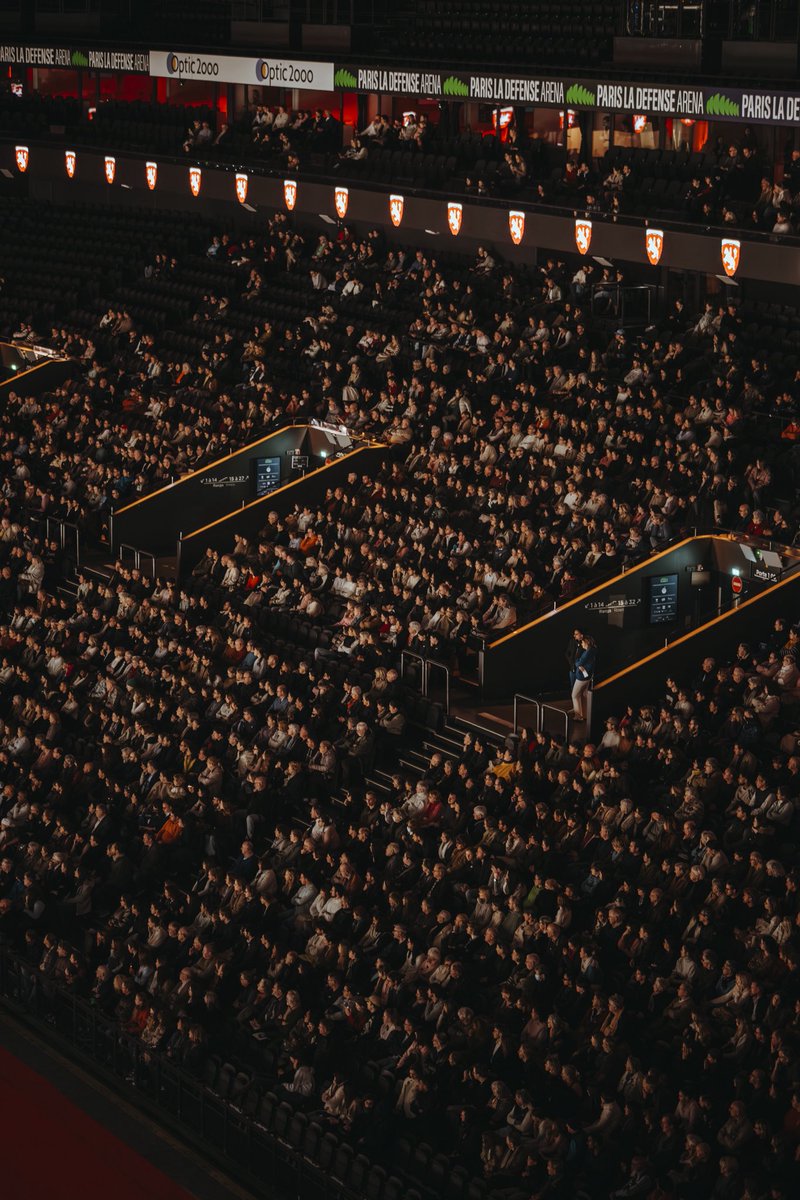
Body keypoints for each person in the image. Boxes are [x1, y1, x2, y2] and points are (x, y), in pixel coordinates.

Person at [571, 634, 596, 721]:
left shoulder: (588, 652)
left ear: (586, 642)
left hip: (582, 677)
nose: (581, 644)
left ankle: (578, 716)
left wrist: (578, 663)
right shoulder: (592, 650)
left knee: (574, 695)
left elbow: (578, 663)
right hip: (587, 677)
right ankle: (584, 715)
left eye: (582, 642)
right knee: (583, 695)